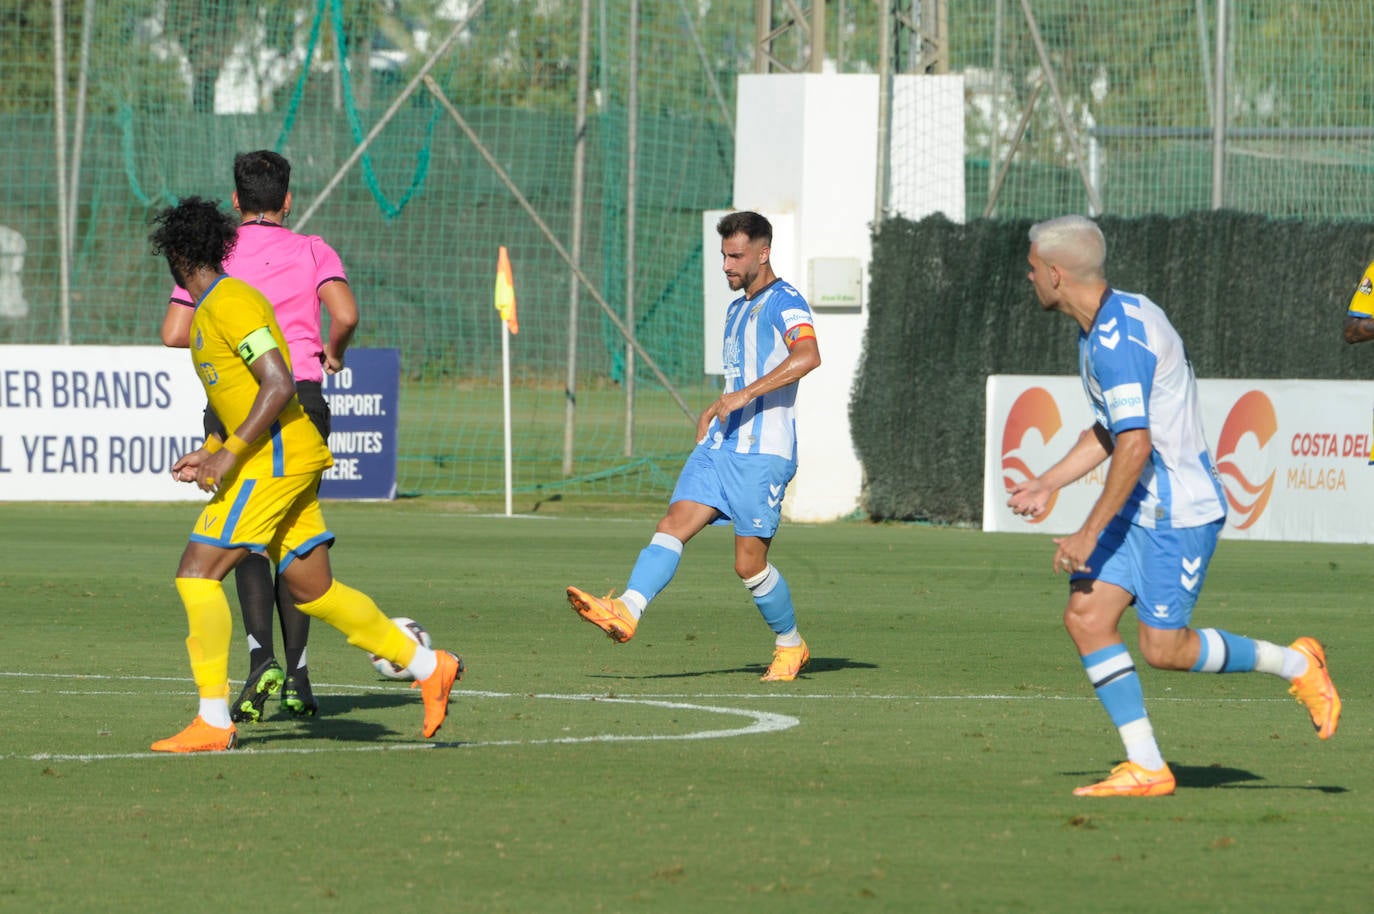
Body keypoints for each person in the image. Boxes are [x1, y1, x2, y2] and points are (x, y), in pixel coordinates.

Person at [1007, 214, 1340, 797]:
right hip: (1140, 508)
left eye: (1033, 268)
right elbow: (1115, 427)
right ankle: (1147, 767)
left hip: (1176, 514)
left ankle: (1297, 664)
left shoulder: (1116, 341)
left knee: (1166, 649)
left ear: (1056, 274)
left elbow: (1136, 444)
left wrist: (1086, 533)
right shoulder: (1107, 323)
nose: (1028, 277)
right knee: (1087, 617)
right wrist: (1048, 480)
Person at [148, 196, 462, 752]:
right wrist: (212, 447)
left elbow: (279, 383)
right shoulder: (214, 310)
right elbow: (245, 394)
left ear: (175, 255)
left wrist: (229, 455)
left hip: (274, 457)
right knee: (315, 590)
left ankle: (214, 721)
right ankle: (426, 664)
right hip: (281, 454)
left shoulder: (231, 304)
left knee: (196, 572)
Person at [566, 211, 821, 681]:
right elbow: (741, 376)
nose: (726, 265)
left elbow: (808, 355)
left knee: (749, 565)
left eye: (736, 255)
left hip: (763, 454)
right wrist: (718, 403)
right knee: (673, 523)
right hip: (721, 445)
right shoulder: (735, 308)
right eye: (723, 255)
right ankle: (627, 608)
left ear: (763, 253)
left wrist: (744, 395)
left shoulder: (785, 301)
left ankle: (791, 644)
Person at [160, 150, 358, 723]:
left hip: (239, 405)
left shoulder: (217, 253)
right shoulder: (313, 248)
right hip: (301, 400)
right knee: (294, 539)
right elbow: (343, 313)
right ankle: (297, 674)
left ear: (236, 201)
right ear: (289, 200)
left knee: (244, 533)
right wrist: (332, 353)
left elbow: (175, 332)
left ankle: (258, 661)